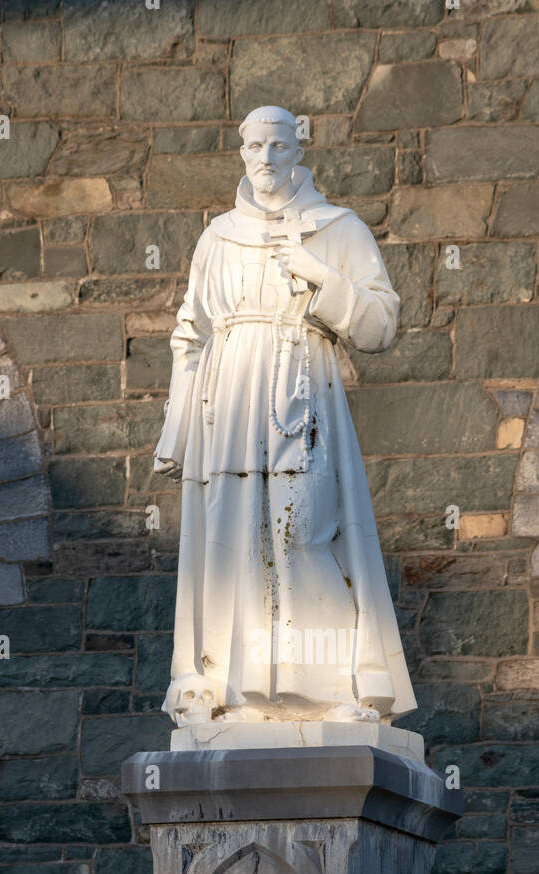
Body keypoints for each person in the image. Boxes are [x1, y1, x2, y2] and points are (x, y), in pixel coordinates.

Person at [154, 104, 416, 729]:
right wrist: (178, 431)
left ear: (298, 149)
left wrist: (323, 278)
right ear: (241, 152)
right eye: (254, 148)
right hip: (228, 404)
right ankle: (226, 687)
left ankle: (330, 685)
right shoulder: (216, 237)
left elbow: (380, 327)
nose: (265, 160)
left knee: (305, 531)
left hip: (302, 391)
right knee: (232, 540)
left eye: (277, 146)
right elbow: (190, 334)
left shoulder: (339, 228)